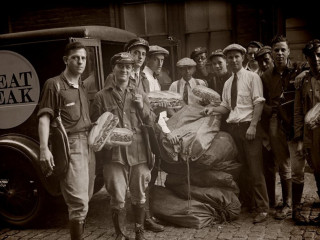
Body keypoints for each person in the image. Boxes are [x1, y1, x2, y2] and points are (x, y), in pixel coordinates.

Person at [201, 43, 269, 223]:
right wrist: (212, 110)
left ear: (243, 57)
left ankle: (262, 208)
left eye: (236, 56)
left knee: (255, 169)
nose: (233, 60)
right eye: (230, 57)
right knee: (243, 169)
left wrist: (253, 126)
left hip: (249, 127)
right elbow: (225, 106)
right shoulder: (228, 82)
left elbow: (259, 103)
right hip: (234, 130)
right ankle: (249, 203)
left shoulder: (252, 77)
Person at [90, 52, 155, 240]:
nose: (125, 70)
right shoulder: (102, 97)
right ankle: (119, 233)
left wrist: (142, 106)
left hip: (139, 152)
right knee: (117, 197)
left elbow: (151, 121)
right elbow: (95, 126)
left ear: (132, 70)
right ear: (114, 69)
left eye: (129, 67)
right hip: (114, 154)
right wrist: (105, 142)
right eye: (121, 66)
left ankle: (139, 231)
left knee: (139, 193)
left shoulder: (139, 93)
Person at [38, 42, 95, 240]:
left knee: (86, 198)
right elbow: (45, 118)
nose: (80, 62)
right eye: (75, 58)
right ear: (66, 60)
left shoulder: (83, 85)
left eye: (83, 58)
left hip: (88, 144)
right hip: (70, 145)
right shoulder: (53, 84)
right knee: (78, 202)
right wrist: (44, 149)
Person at [261, 35, 307, 221]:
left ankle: (297, 204)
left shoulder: (298, 70)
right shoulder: (265, 76)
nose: (279, 53)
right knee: (283, 164)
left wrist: (305, 73)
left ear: (288, 52)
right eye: (276, 50)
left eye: (282, 50)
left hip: (295, 121)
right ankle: (287, 203)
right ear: (271, 54)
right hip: (275, 122)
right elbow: (261, 101)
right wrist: (272, 109)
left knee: (298, 163)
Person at [294, 39, 320, 224]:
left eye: (319, 55)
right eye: (311, 56)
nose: (316, 59)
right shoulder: (303, 80)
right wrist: (300, 138)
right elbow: (298, 111)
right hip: (312, 136)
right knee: (318, 172)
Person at [255, 45, 277, 209]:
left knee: (283, 165)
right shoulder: (259, 78)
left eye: (266, 60)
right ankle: (270, 198)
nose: (263, 64)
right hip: (263, 125)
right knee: (267, 164)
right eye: (260, 62)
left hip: (279, 124)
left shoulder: (279, 76)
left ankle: (286, 201)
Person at [207, 49, 231, 131]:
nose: (217, 66)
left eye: (220, 62)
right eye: (214, 64)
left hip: (232, 118)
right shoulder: (212, 80)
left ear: (226, 62)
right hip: (218, 117)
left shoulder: (233, 78)